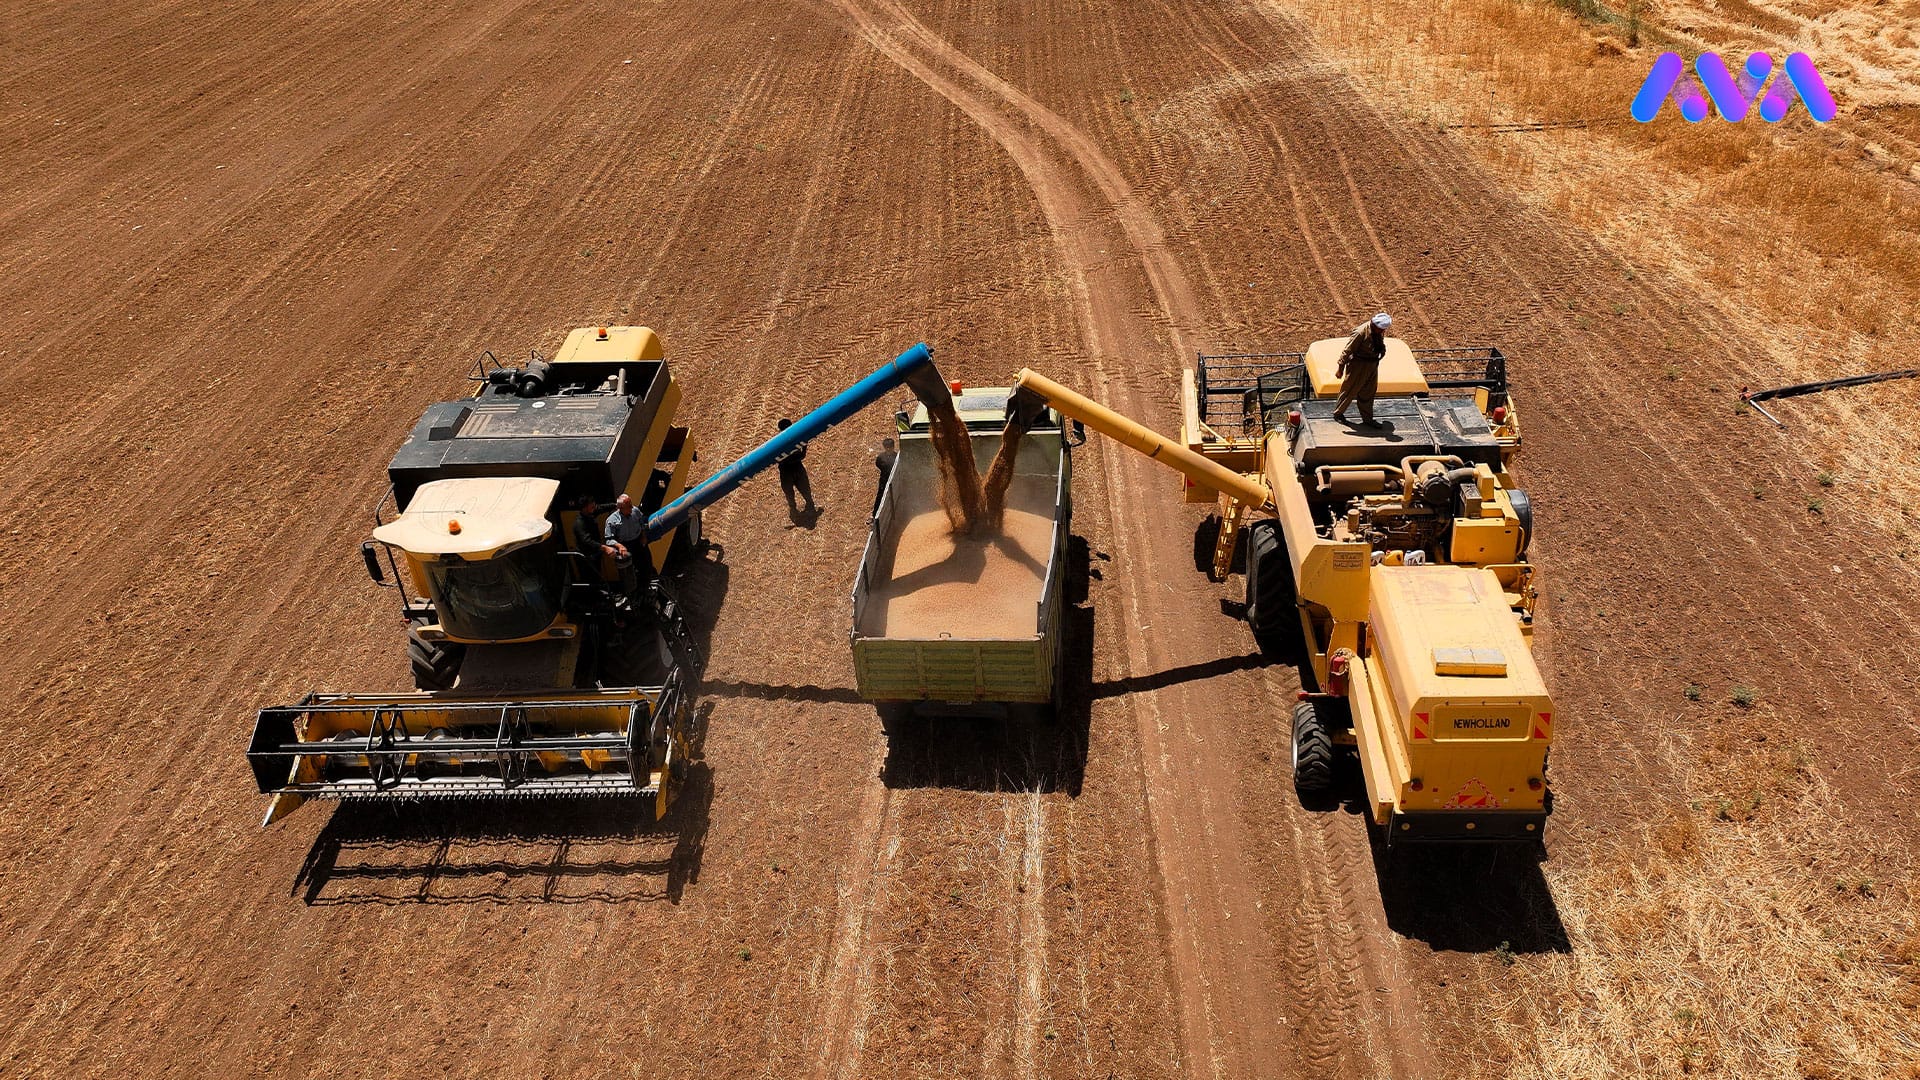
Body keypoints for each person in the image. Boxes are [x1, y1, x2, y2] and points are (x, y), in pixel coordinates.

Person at [1333, 312, 1392, 427]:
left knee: (1368, 392)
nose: (1383, 331)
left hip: (1372, 364)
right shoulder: (1360, 332)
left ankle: (1367, 419)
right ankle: (1338, 413)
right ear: (1374, 325)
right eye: (1381, 329)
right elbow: (1347, 350)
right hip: (1358, 365)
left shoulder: (1378, 331)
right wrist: (1340, 368)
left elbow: (1378, 343)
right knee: (1349, 389)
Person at [602, 492, 657, 599]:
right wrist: (619, 546)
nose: (632, 508)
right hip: (626, 546)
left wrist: (643, 536)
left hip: (638, 542)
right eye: (629, 506)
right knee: (629, 572)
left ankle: (646, 589)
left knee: (646, 565)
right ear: (621, 508)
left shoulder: (635, 511)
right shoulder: (611, 521)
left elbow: (642, 523)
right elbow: (609, 539)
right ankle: (633, 594)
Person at [774, 418, 816, 517]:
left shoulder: (777, 443)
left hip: (786, 471)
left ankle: (794, 509)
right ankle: (805, 506)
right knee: (804, 490)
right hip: (795, 468)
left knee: (790, 493)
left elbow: (778, 459)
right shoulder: (796, 437)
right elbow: (802, 454)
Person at [571, 495, 613, 579]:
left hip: (594, 554)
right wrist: (604, 547)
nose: (595, 507)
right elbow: (586, 540)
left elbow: (601, 508)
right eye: (592, 506)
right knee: (590, 578)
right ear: (585, 508)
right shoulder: (579, 523)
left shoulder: (590, 513)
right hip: (586, 557)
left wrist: (615, 505)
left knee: (597, 575)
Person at [872, 437, 897, 516]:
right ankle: (875, 515)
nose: (888, 449)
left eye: (890, 447)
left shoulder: (897, 457)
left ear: (893, 447)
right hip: (884, 480)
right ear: (884, 447)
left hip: (895, 480)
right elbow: (878, 464)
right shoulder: (881, 457)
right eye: (887, 447)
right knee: (880, 496)